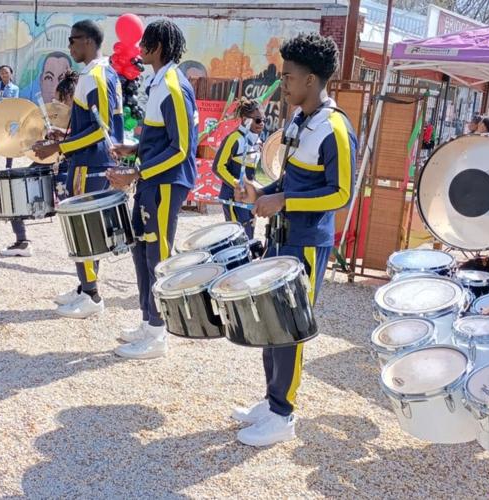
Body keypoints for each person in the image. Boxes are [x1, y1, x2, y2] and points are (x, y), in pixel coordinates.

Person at [232, 33, 356, 446]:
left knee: (292, 328)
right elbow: (291, 180)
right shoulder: (300, 119)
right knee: (271, 323)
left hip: (306, 241)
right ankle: (271, 402)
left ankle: (283, 415)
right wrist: (261, 193)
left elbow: (342, 194)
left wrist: (284, 201)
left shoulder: (335, 128)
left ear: (311, 80)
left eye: (288, 77)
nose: (282, 83)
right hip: (281, 236)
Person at [105, 18, 197, 359]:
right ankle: (148, 320)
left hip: (165, 184)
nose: (138, 48)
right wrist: (134, 149)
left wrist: (136, 172)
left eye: (144, 43)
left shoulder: (173, 85)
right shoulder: (159, 81)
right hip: (151, 180)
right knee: (141, 250)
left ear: (157, 48)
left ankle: (158, 334)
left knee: (157, 255)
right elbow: (160, 138)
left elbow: (181, 148)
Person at [32, 20, 123, 319]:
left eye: (72, 40)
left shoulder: (96, 75)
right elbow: (92, 125)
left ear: (87, 41)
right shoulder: (97, 73)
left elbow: (101, 130)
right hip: (88, 161)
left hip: (92, 164)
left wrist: (59, 147)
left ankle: (92, 295)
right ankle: (85, 288)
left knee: (84, 230)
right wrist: (66, 135)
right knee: (83, 229)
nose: (69, 46)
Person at [0, 70, 78, 258]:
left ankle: (85, 247)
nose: (56, 103)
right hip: (47, 163)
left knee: (76, 209)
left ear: (70, 97)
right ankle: (22, 241)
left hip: (68, 166)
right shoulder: (55, 115)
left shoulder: (81, 114)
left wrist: (63, 138)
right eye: (56, 99)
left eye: (60, 99)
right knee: (14, 185)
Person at [212, 97, 264, 239]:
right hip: (233, 196)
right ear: (245, 119)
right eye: (258, 120)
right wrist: (237, 184)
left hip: (249, 198)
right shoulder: (234, 139)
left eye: (263, 120)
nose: (262, 123)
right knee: (238, 238)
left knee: (249, 236)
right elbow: (218, 167)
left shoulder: (258, 142)